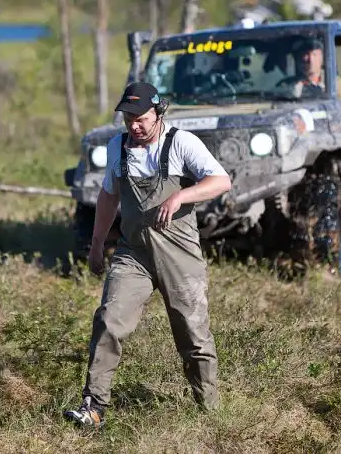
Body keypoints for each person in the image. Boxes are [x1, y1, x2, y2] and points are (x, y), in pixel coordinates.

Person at [63, 81, 232, 428]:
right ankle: (94, 407)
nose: (134, 126)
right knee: (109, 319)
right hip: (134, 253)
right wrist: (97, 244)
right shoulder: (118, 146)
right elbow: (109, 196)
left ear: (158, 113)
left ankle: (210, 411)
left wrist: (180, 196)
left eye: (140, 118)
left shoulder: (181, 143)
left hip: (179, 254)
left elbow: (221, 181)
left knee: (193, 334)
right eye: (128, 119)